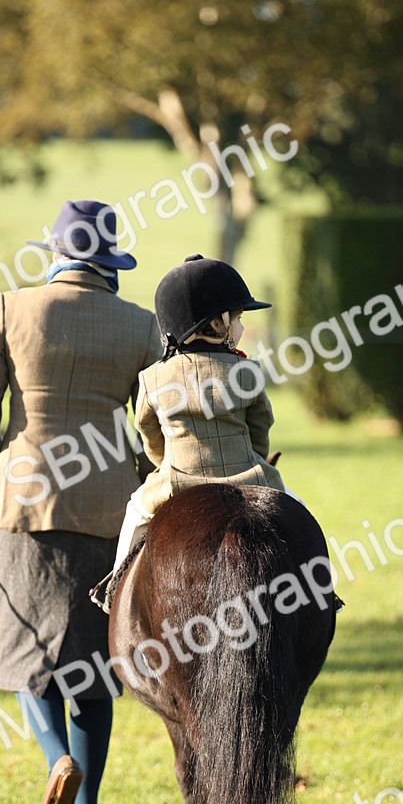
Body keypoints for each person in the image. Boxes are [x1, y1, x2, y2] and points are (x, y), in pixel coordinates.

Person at [0, 199, 162, 804]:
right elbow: (153, 424)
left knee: (29, 658)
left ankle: (57, 762)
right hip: (109, 511)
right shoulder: (141, 325)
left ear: (57, 254)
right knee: (94, 670)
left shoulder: (10, 309)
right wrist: (145, 473)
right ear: (110, 262)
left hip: (24, 503)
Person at [96, 253, 295, 610]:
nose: (241, 326)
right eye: (238, 318)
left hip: (176, 481)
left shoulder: (153, 378)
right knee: (298, 513)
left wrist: (164, 462)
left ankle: (114, 593)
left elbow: (148, 432)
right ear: (217, 324)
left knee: (134, 513)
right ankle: (321, 589)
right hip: (249, 477)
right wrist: (254, 456)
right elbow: (261, 427)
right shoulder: (247, 372)